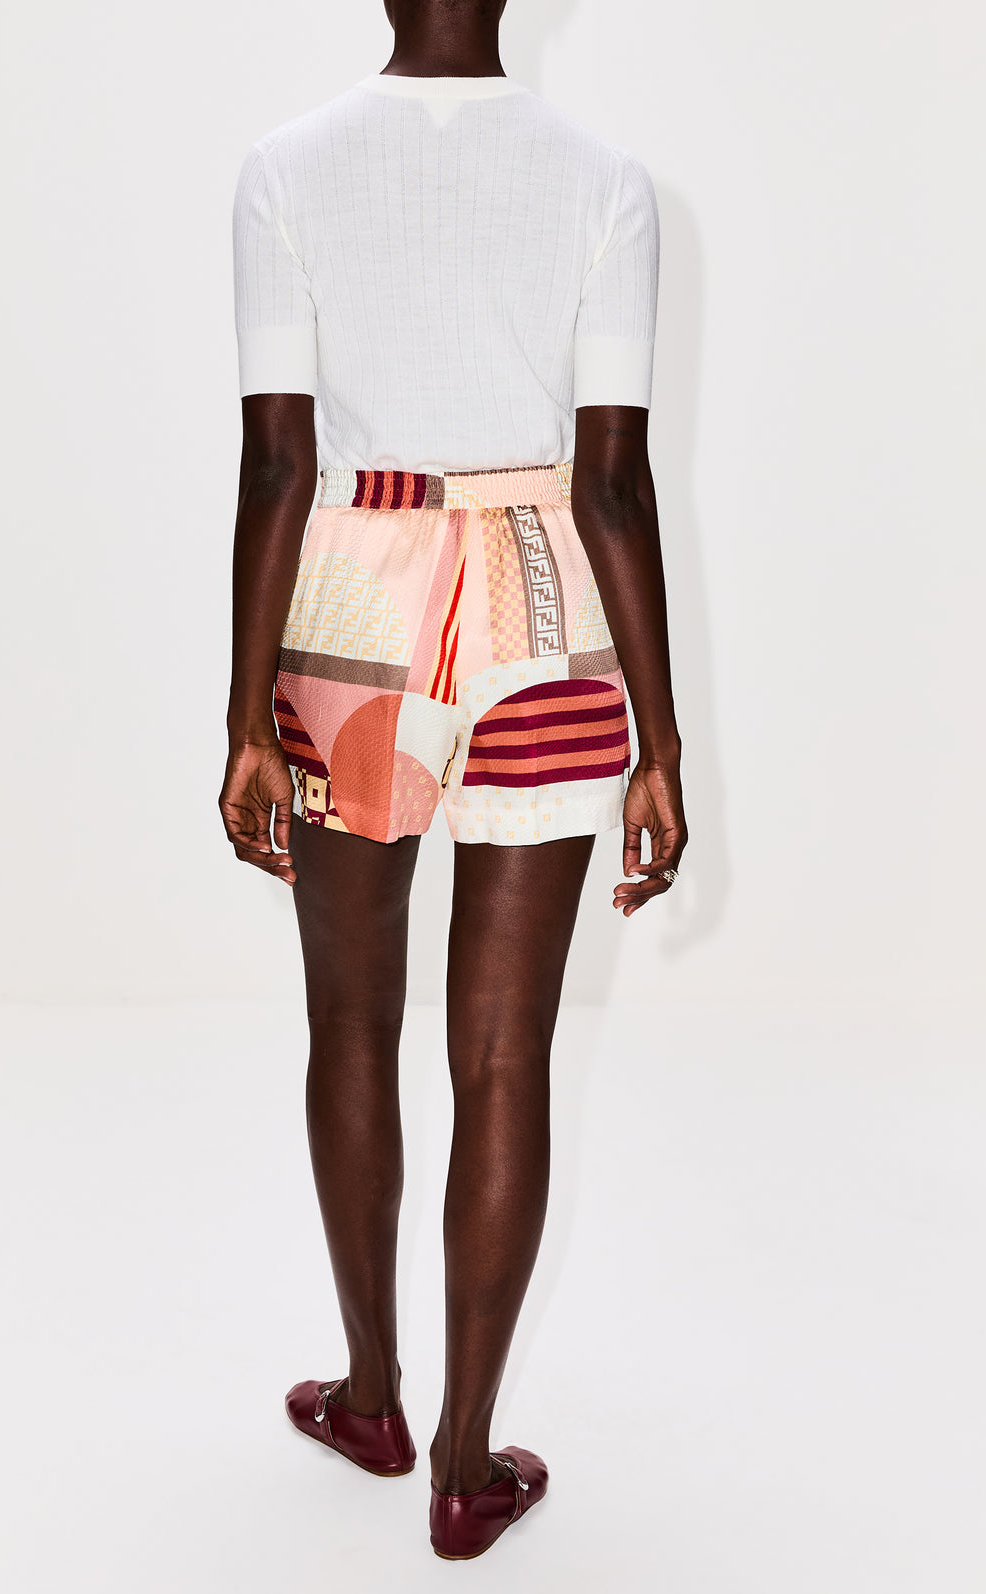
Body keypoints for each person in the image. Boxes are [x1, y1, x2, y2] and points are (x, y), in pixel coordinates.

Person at [220, 0, 688, 1562]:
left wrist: (243, 715)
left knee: (350, 1022)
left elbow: (277, 462)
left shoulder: (285, 170)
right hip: (541, 606)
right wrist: (662, 740)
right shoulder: (606, 182)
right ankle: (468, 1462)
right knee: (504, 1054)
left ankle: (371, 1396)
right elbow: (613, 477)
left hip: (356, 594)